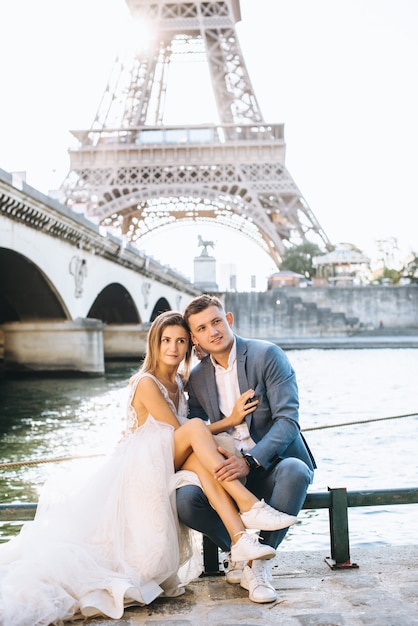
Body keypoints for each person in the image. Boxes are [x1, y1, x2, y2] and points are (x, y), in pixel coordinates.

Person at [0, 311, 295, 625]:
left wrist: (221, 434)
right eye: (166, 340)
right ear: (154, 343)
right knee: (201, 432)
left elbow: (185, 436)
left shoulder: (181, 380)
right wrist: (232, 421)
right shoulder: (145, 382)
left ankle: (240, 539)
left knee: (207, 452)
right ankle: (247, 509)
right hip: (144, 464)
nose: (173, 347)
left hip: (166, 458)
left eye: (181, 341)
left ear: (189, 345)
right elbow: (175, 430)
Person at [176, 295, 316, 604]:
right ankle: (238, 550)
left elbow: (287, 420)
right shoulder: (197, 377)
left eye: (216, 321)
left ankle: (257, 566)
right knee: (185, 500)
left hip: (270, 464)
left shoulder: (267, 355)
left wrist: (249, 461)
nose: (213, 331)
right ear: (194, 337)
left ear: (229, 319)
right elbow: (196, 427)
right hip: (227, 471)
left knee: (296, 471)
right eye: (202, 328)